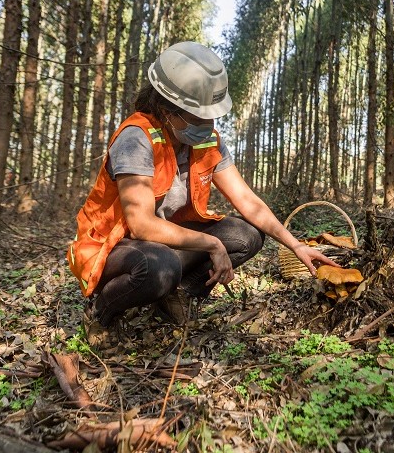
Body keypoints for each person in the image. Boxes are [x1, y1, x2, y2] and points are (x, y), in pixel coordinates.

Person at [67, 41, 339, 349]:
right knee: (160, 267)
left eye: (211, 116)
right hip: (114, 246)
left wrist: (296, 246)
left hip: (165, 241)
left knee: (247, 235)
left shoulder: (207, 141)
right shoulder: (137, 138)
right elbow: (141, 224)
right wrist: (211, 243)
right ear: (168, 110)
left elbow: (247, 201)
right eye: (198, 116)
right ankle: (101, 313)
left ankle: (176, 297)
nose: (208, 125)